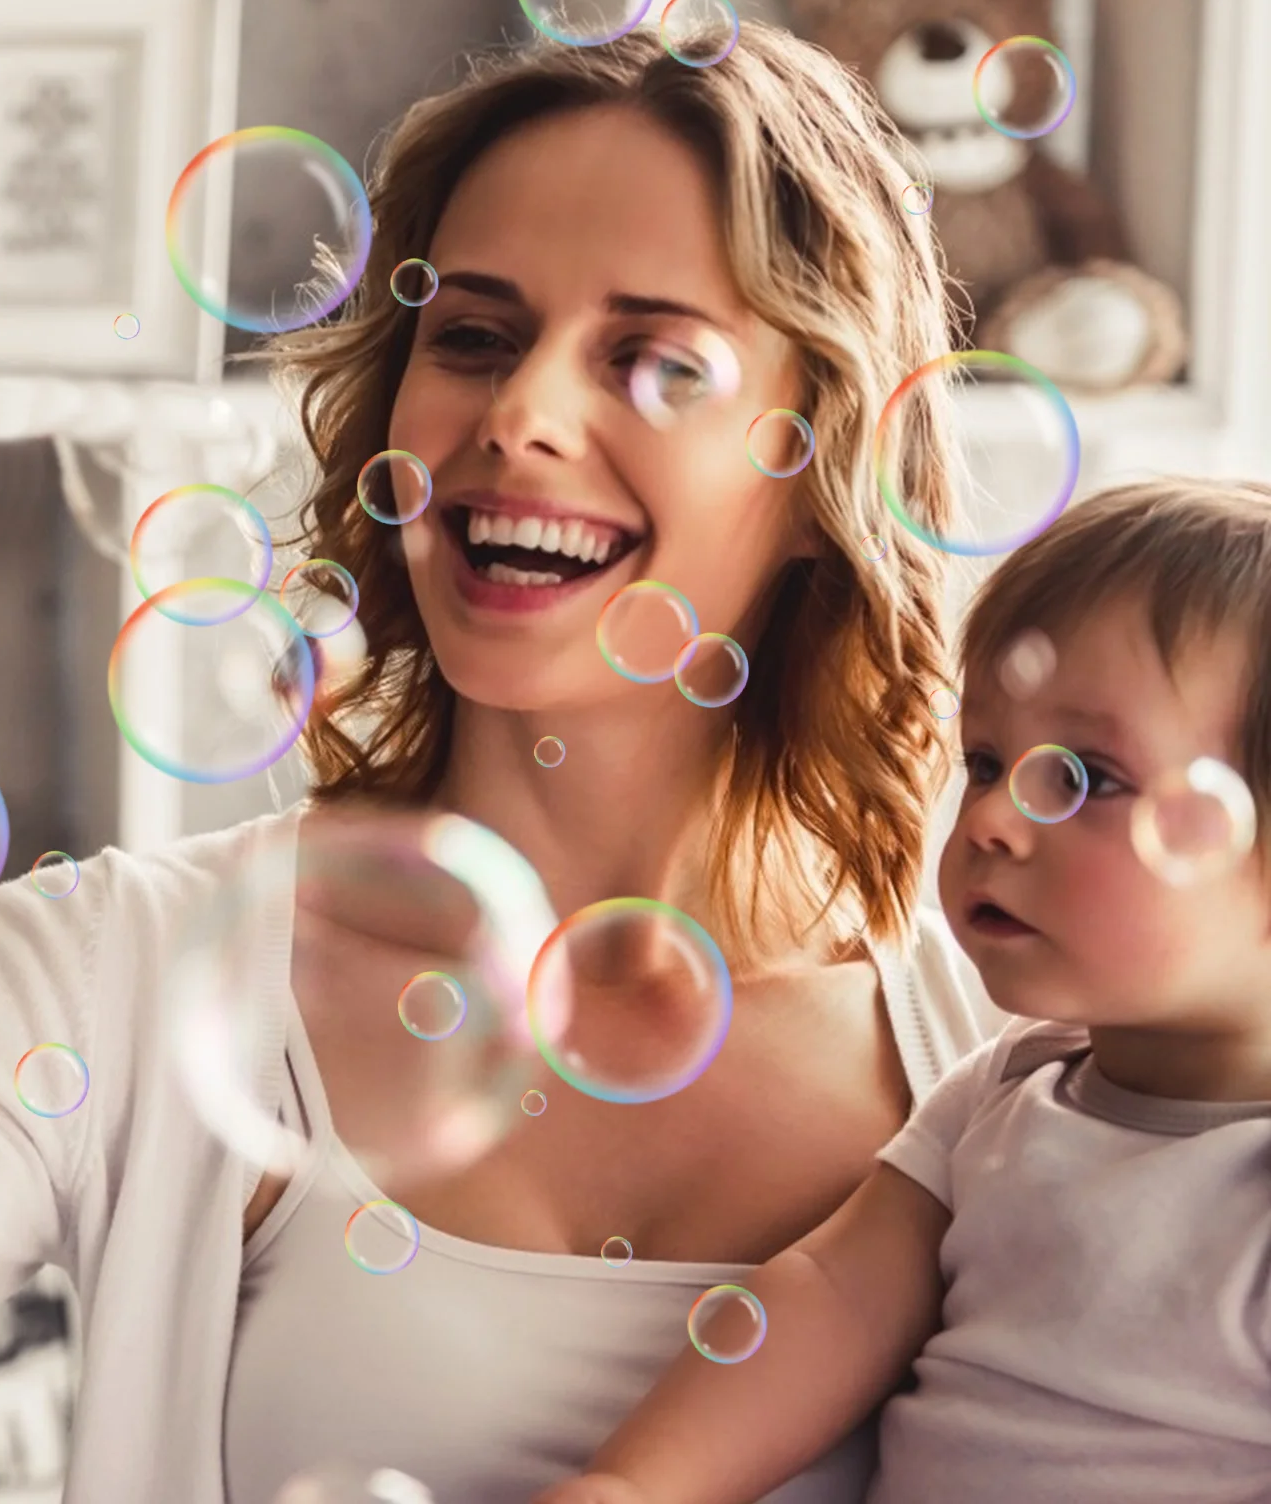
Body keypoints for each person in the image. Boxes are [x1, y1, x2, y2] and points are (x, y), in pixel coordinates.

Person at [0, 22, 1004, 1504]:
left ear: (824, 467)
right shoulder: (105, 979)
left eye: (653, 359)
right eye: (477, 337)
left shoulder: (1026, 1063)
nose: (518, 415)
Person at [535, 478, 1271, 1504]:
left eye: (1085, 778)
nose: (992, 823)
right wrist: (632, 1484)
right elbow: (832, 1297)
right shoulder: (1007, 1088)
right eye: (984, 760)